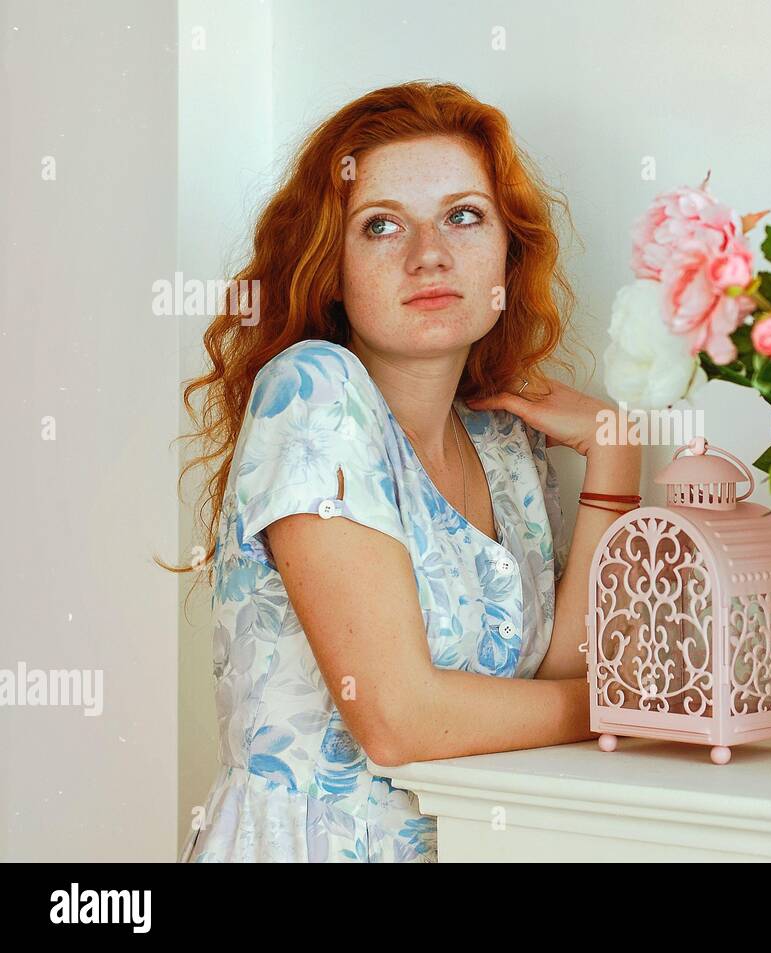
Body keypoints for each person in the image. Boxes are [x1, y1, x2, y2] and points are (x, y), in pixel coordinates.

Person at [166, 82, 641, 862]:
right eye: (382, 225)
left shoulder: (502, 442)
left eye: (463, 215)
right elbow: (398, 720)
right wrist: (610, 709)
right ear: (332, 266)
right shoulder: (312, 391)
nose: (430, 254)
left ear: (507, 251)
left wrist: (615, 454)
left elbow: (555, 677)